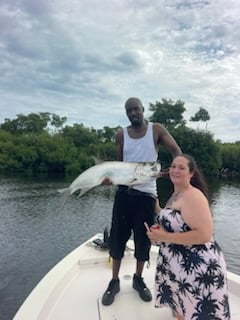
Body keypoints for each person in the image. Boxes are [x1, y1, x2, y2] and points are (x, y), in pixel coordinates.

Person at [101, 97, 182, 306]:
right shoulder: (121, 134)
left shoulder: (156, 130)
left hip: (147, 196)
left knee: (143, 240)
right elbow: (119, 164)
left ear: (143, 109)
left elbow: (176, 151)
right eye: (129, 110)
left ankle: (138, 279)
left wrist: (177, 170)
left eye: (136, 109)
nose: (133, 113)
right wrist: (110, 179)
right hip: (123, 195)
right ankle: (114, 281)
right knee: (117, 238)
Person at [146, 154, 231, 320]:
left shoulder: (193, 196)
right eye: (173, 166)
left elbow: (204, 234)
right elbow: (178, 223)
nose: (175, 170)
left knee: (196, 313)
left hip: (197, 268)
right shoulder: (176, 194)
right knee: (181, 310)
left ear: (191, 173)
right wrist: (158, 227)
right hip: (177, 267)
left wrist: (164, 236)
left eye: (181, 167)